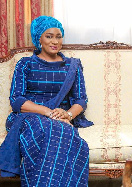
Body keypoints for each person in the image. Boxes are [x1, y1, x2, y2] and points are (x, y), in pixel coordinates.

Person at [0, 16, 93, 186]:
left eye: (58, 36)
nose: (55, 41)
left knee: (67, 134)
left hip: (61, 117)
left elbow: (81, 99)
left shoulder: (72, 66)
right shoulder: (25, 64)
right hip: (29, 116)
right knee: (46, 129)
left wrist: (68, 114)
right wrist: (48, 113)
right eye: (49, 36)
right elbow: (17, 100)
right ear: (39, 39)